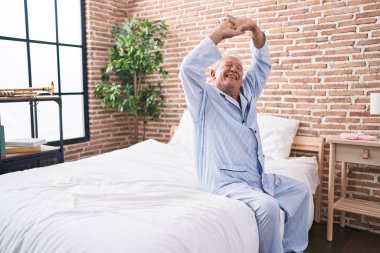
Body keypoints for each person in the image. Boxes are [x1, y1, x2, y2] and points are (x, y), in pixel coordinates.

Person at [179, 15, 310, 253]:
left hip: (256, 178)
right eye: (227, 65)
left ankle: (293, 249)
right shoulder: (204, 100)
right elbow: (187, 68)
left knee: (300, 190)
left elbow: (261, 64)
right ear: (212, 75)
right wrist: (219, 34)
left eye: (239, 68)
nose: (235, 69)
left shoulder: (248, 92)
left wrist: (255, 29)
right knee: (268, 206)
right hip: (224, 181)